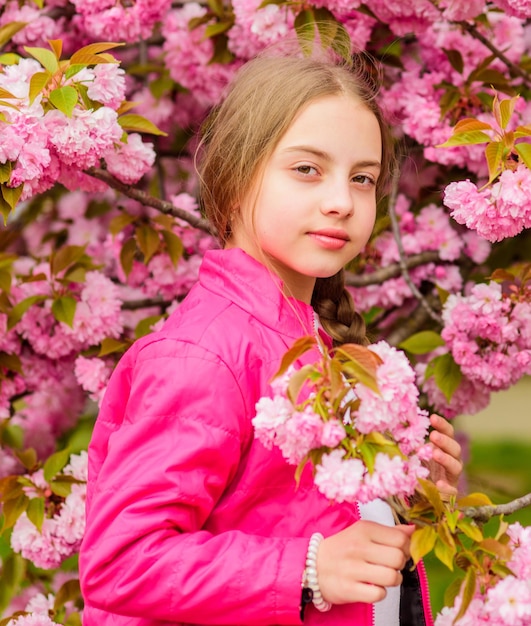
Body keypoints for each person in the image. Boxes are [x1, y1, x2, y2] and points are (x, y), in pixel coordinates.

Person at [79, 49, 463, 626]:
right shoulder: (204, 354)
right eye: (307, 169)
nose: (341, 201)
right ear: (235, 180)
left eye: (362, 178)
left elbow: (298, 512)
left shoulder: (310, 337)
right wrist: (307, 570)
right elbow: (121, 562)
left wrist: (404, 490)